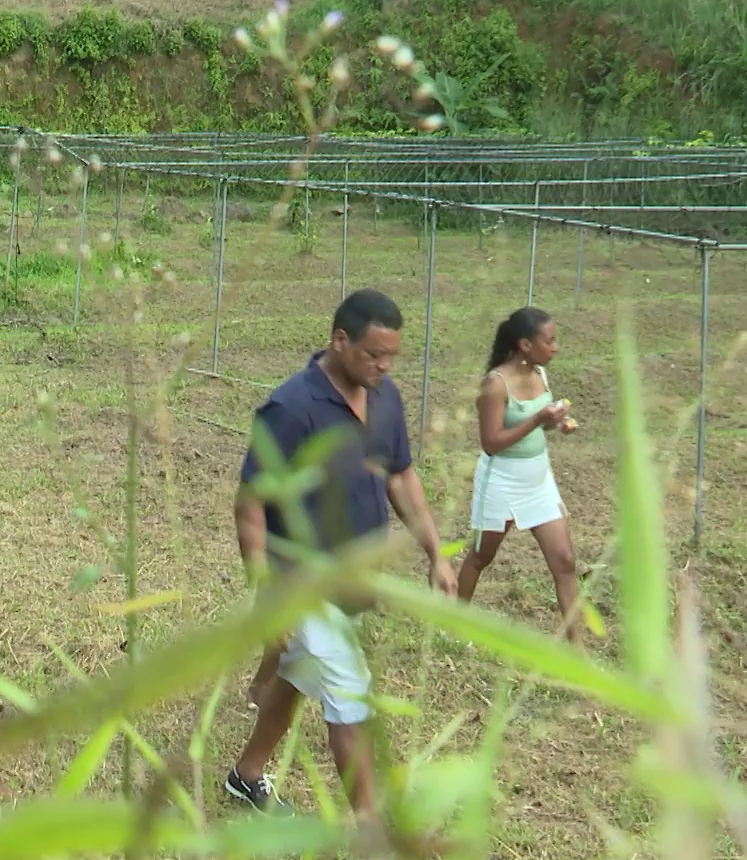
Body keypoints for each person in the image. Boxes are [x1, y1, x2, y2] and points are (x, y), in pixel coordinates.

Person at [225, 289, 455, 817]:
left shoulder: (385, 398)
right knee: (351, 706)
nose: (384, 365)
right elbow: (250, 505)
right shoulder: (291, 408)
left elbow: (400, 477)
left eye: (392, 355)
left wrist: (436, 552)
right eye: (375, 354)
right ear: (340, 340)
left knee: (298, 677)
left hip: (355, 584)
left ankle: (246, 776)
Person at [457, 307, 582, 644]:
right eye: (550, 340)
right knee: (482, 556)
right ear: (525, 345)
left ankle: (579, 652)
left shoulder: (540, 373)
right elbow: (491, 443)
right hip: (501, 482)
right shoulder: (495, 385)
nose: (555, 346)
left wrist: (557, 423)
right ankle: (454, 623)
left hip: (538, 480)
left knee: (565, 562)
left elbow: (539, 421)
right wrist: (537, 421)